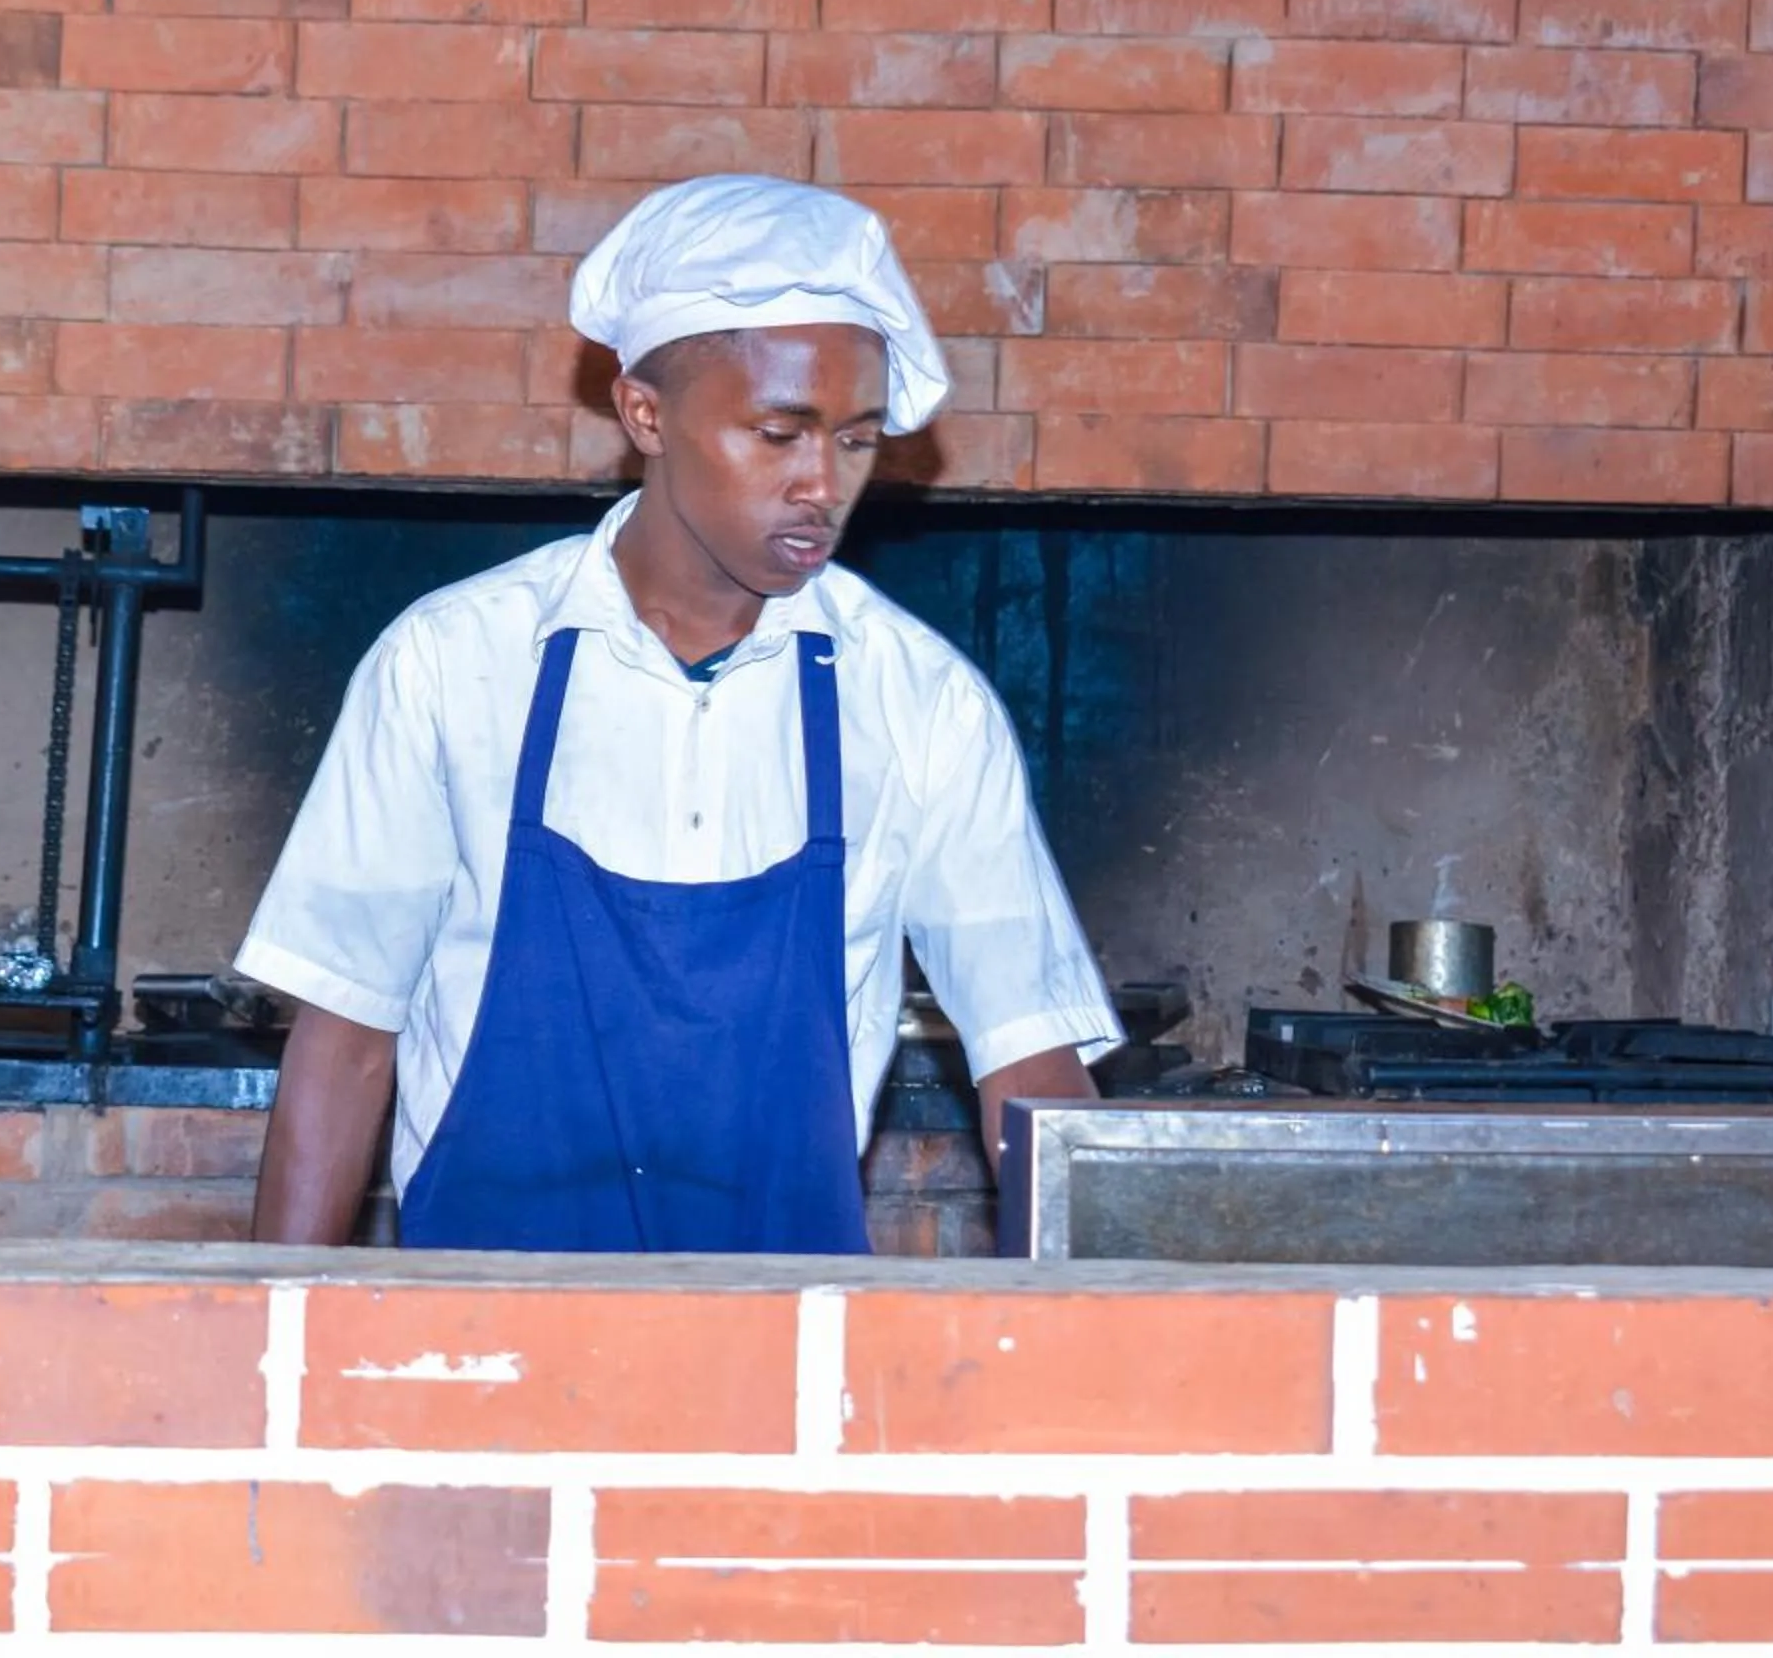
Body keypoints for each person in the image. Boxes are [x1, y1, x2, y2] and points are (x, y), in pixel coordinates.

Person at [239, 174, 1119, 1253]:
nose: (822, 485)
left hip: (782, 1349)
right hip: (473, 1334)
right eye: (778, 431)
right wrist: (267, 1340)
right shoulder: (453, 662)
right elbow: (344, 1037)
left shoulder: (920, 701)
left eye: (854, 441)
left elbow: (1029, 1064)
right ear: (645, 412)